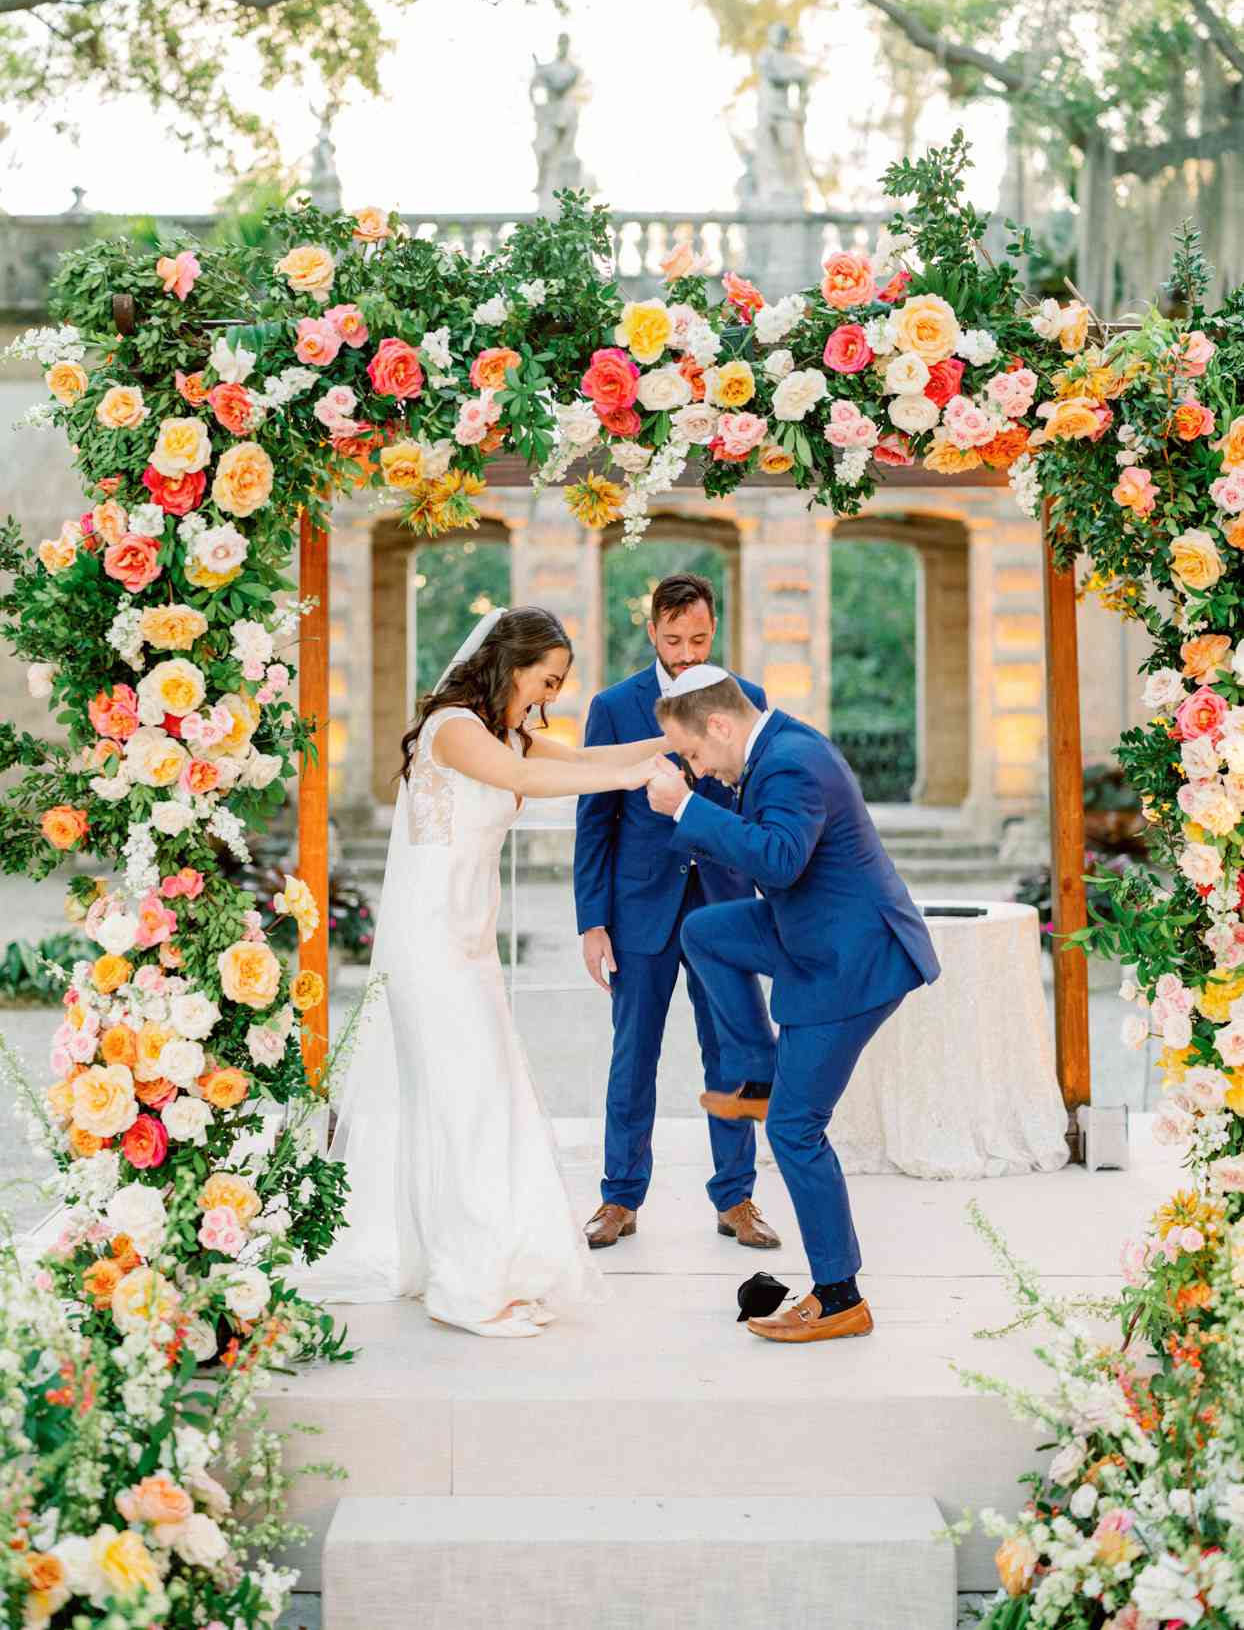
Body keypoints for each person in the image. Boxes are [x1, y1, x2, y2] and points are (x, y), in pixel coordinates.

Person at [298, 607, 664, 1340]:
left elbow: (576, 758)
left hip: (469, 937)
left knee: (483, 1091)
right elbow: (527, 776)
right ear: (512, 660)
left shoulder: (506, 729)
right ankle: (470, 1276)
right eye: (546, 679)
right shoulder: (453, 729)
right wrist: (635, 779)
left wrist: (677, 741)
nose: (549, 696)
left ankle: (473, 1254)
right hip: (428, 939)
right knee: (466, 1095)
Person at [646, 666, 941, 1344]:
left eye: (693, 754)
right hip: (811, 930)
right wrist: (700, 809)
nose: (697, 769)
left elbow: (777, 862)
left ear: (719, 725)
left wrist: (688, 808)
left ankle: (840, 1296)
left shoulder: (790, 764)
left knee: (794, 1130)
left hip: (852, 961)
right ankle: (758, 1070)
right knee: (705, 931)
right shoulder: (775, 748)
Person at [574, 573, 780, 1253]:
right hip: (640, 909)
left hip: (725, 902)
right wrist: (592, 921)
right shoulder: (613, 705)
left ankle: (737, 1197)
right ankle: (618, 1196)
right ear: (652, 632)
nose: (688, 653)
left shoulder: (747, 700)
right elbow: (594, 820)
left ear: (713, 630)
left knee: (732, 1048)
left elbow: (759, 808)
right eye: (674, 640)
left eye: (698, 639)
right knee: (633, 1050)